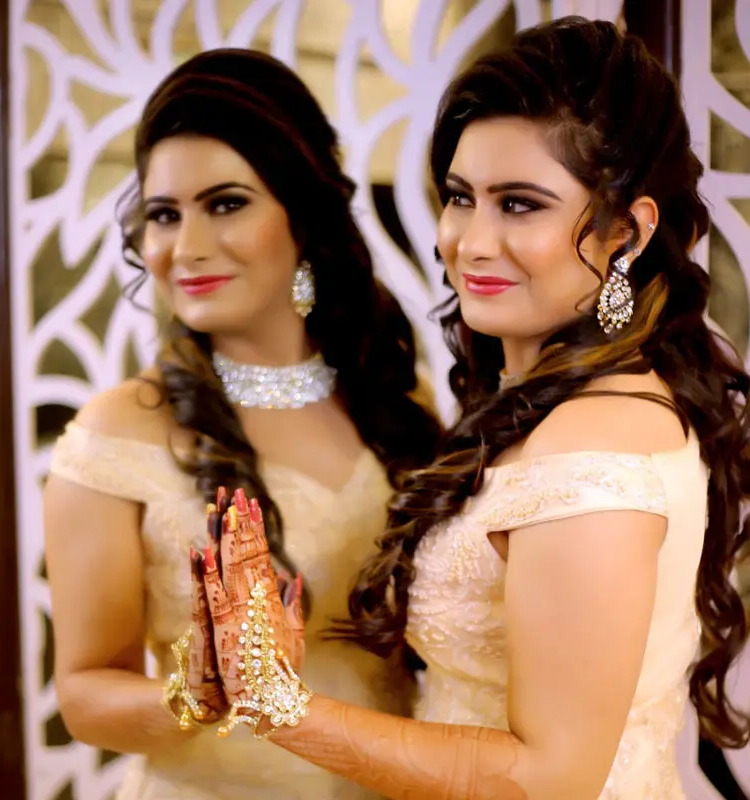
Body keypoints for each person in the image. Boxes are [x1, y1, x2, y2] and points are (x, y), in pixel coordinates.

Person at [191, 18, 750, 799]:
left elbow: (553, 779)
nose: (472, 241)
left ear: (626, 231)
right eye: (461, 198)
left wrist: (279, 705)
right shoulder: (552, 404)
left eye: (520, 205)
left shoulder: (592, 452)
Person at [43, 48, 441, 800]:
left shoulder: (393, 396)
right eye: (165, 214)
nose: (186, 249)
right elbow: (85, 693)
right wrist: (194, 692)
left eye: (225, 204)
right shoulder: (116, 434)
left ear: (303, 215)